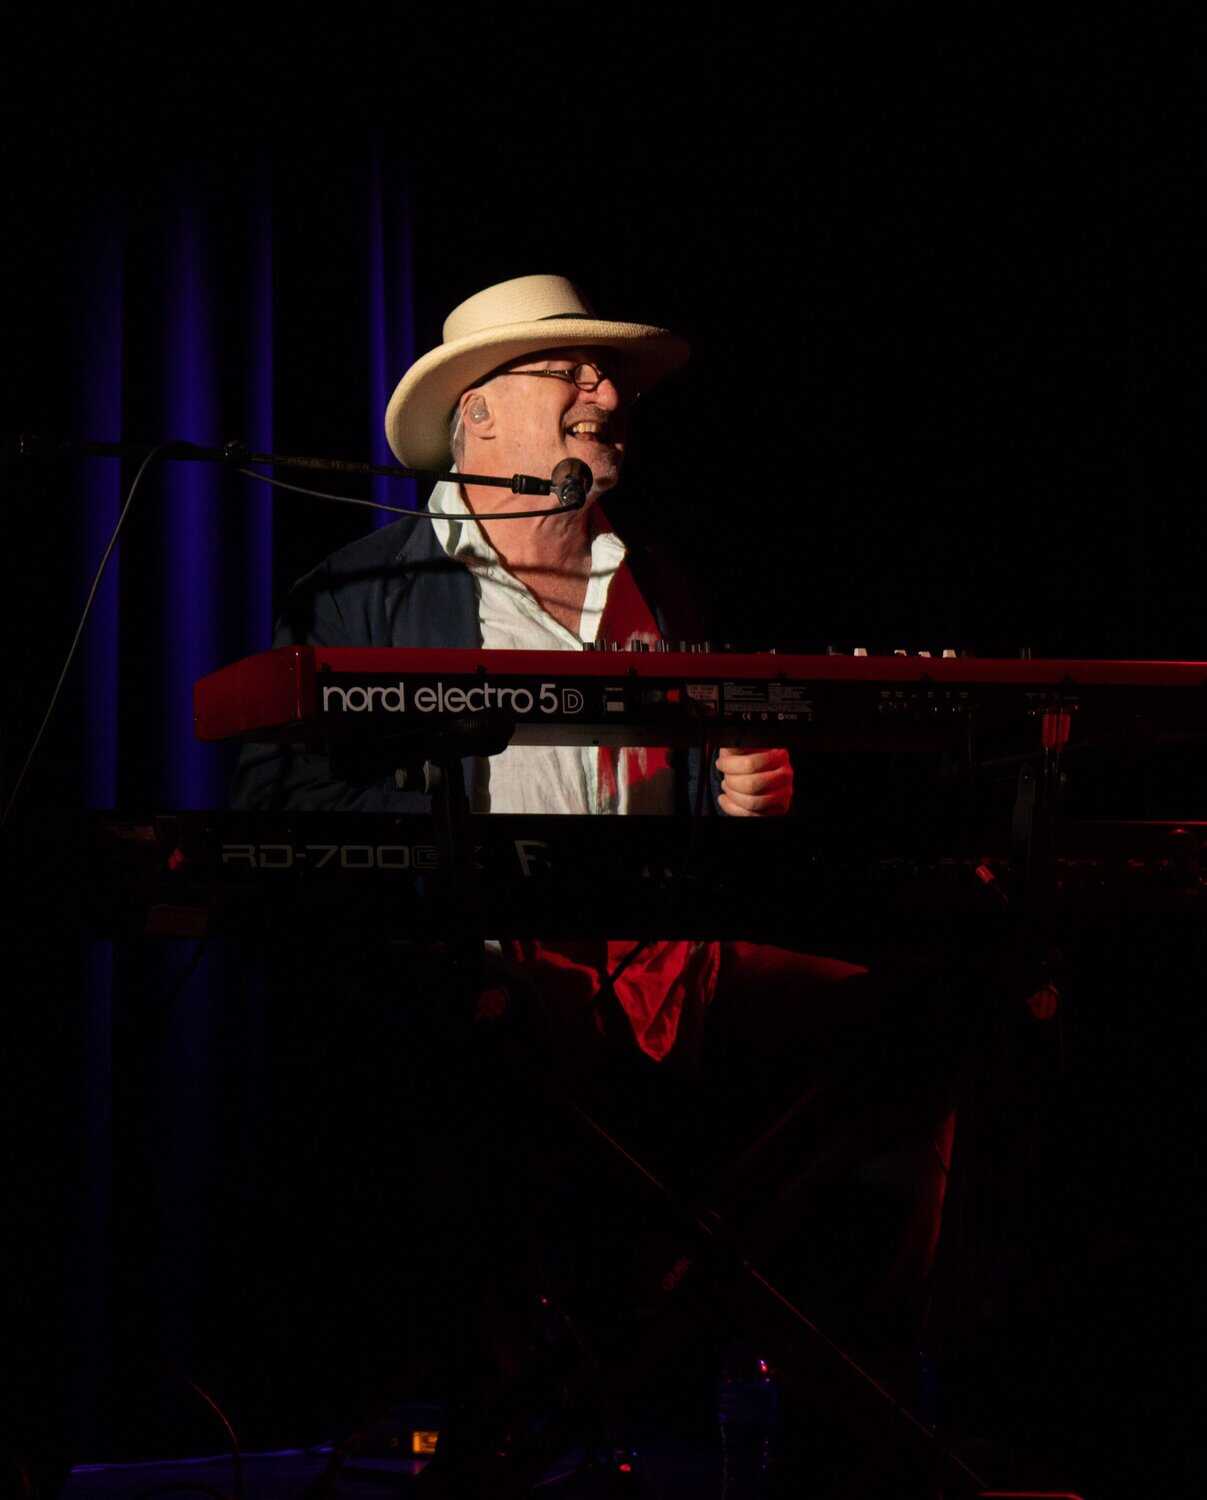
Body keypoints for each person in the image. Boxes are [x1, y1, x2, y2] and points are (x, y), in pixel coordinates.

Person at [233, 275, 961, 1484]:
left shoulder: (664, 582)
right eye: (567, 371)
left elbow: (708, 809)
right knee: (487, 1106)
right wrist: (461, 837)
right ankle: (551, 1407)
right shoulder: (360, 591)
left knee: (924, 1019)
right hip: (481, 974)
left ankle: (845, 1413)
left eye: (608, 375)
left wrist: (746, 801)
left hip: (671, 961)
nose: (605, 393)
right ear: (475, 418)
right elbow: (275, 810)